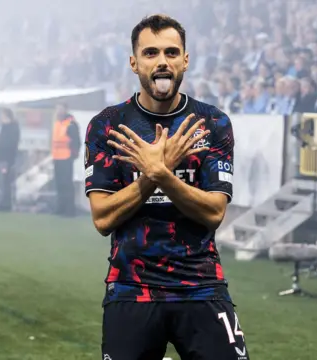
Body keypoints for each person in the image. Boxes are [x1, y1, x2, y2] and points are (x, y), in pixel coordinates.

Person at [84, 14, 249, 360]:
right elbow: (102, 219)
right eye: (151, 53)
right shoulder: (108, 126)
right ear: (134, 62)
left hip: (201, 286)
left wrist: (162, 174)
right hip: (131, 289)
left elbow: (214, 212)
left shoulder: (212, 123)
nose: (162, 61)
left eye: (172, 52)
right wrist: (153, 175)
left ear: (185, 60)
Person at [51, 103, 80, 217]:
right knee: (59, 183)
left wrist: (73, 155)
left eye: (60, 108)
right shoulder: (57, 122)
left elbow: (76, 141)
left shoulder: (71, 123)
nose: (58, 111)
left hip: (66, 157)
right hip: (57, 157)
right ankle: (60, 207)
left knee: (67, 183)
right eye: (57, 108)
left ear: (65, 109)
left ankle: (70, 210)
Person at [0, 108, 20, 211]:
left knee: (6, 181)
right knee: (4, 180)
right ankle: (3, 201)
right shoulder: (5, 127)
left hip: (7, 158)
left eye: (2, 115)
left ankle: (6, 203)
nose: (1, 118)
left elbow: (10, 143)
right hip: (2, 157)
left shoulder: (12, 128)